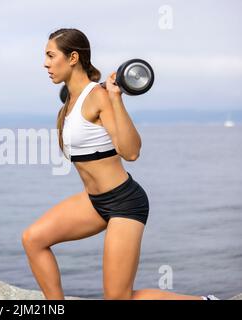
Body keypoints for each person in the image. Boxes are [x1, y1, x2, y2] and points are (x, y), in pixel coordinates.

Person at [21, 28, 218, 301]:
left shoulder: (98, 97)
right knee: (33, 239)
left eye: (51, 55)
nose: (45, 63)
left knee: (117, 297)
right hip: (94, 202)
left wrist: (115, 98)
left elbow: (131, 151)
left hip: (125, 202)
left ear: (73, 57)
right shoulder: (70, 103)